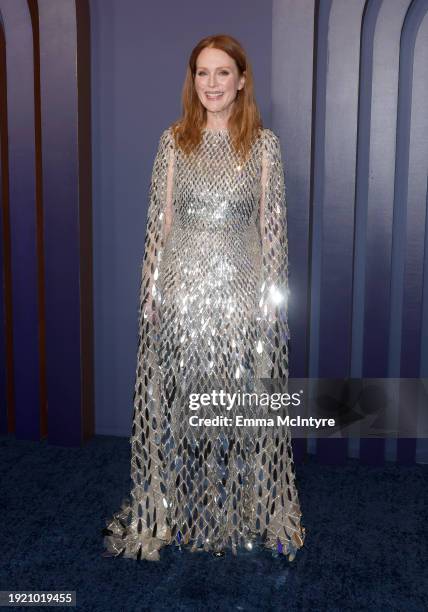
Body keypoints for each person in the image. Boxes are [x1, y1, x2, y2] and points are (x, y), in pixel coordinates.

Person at [102, 34, 306, 562]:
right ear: (192, 81)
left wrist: (271, 301)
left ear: (241, 80)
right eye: (202, 73)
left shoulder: (264, 146)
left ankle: (240, 507)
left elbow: (272, 229)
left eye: (222, 73)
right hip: (182, 289)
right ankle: (172, 506)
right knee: (174, 403)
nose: (211, 83)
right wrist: (152, 291)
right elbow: (161, 222)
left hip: (241, 290)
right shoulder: (175, 140)